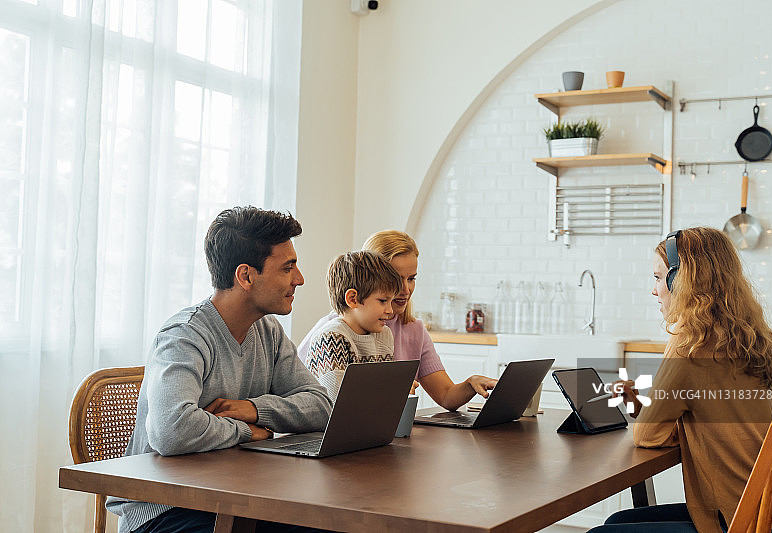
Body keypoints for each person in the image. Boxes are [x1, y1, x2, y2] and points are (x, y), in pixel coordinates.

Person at [107, 206, 334, 533]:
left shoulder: (267, 330)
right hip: (165, 510)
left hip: (237, 495)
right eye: (288, 268)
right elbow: (172, 430)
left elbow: (320, 405)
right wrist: (247, 431)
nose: (299, 279)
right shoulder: (183, 336)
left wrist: (255, 410)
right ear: (245, 276)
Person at [588, 227, 772, 533]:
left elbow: (647, 436)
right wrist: (648, 409)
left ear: (682, 280)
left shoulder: (691, 346)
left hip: (743, 521)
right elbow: (709, 416)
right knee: (617, 522)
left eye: (659, 277)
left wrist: (651, 416)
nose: (654, 288)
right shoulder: (742, 338)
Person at [298, 230, 497, 411]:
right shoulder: (332, 332)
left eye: (411, 278)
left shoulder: (406, 331)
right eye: (396, 279)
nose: (405, 289)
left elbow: (445, 395)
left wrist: (470, 383)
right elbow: (326, 400)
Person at [305, 250, 403, 399]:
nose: (390, 310)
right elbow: (336, 403)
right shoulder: (331, 338)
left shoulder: (384, 335)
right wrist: (393, 391)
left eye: (391, 301)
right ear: (352, 299)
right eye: (383, 301)